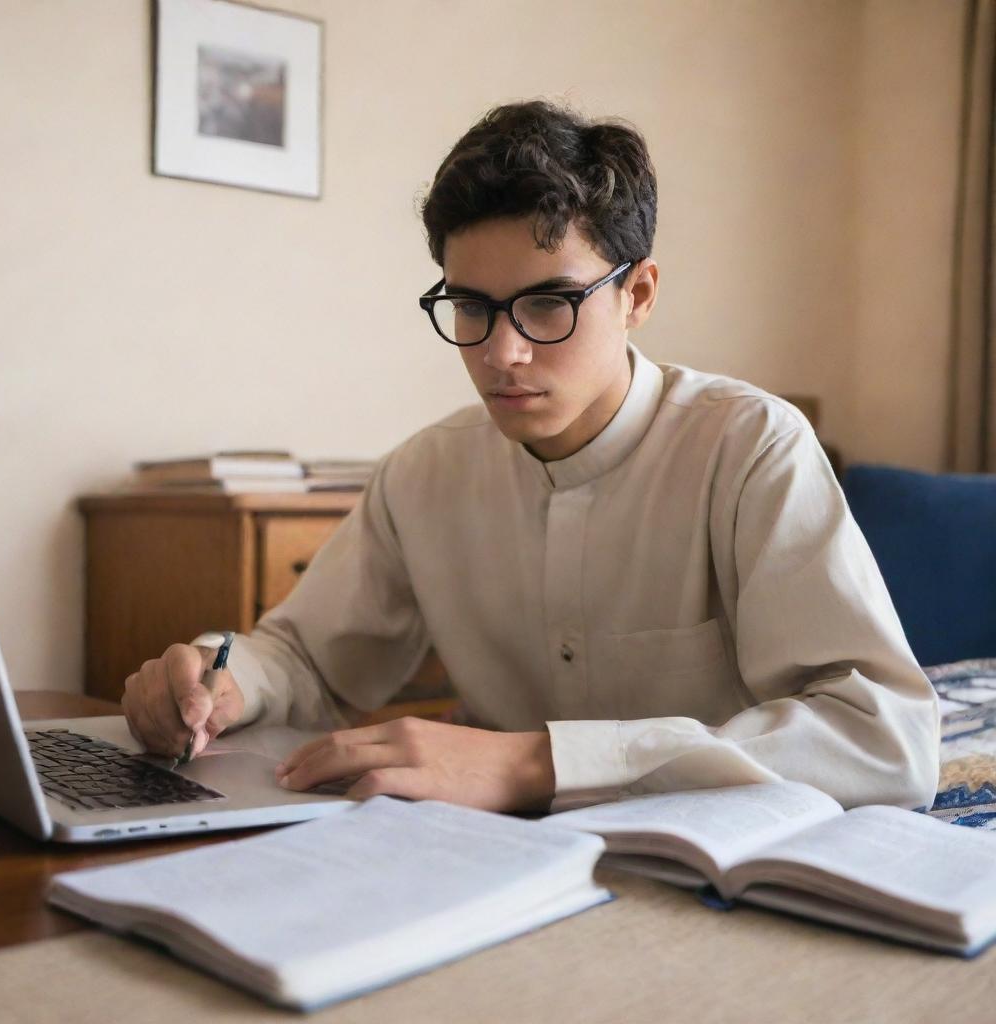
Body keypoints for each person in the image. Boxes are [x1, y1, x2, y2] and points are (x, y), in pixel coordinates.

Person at [122, 100, 939, 815]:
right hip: (489, 864)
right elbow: (304, 657)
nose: (502, 352)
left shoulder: (750, 447)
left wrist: (532, 760)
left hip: (715, 872)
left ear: (638, 295)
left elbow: (887, 742)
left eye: (549, 302)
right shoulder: (423, 474)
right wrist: (220, 681)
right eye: (471, 306)